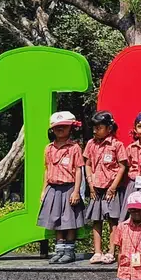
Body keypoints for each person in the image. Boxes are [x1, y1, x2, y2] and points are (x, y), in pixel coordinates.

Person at [37, 111, 86, 265]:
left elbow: (78, 170)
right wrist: (44, 190)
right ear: (52, 129)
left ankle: (69, 251)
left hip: (69, 187)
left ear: (70, 128)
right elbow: (47, 169)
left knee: (70, 220)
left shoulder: (74, 148)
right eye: (57, 127)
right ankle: (59, 251)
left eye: (64, 127)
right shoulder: (49, 148)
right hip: (53, 187)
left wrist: (77, 191)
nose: (60, 130)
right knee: (56, 219)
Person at [84, 111, 128, 264]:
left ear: (109, 128)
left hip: (111, 188)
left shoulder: (117, 145)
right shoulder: (90, 144)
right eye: (94, 127)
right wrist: (90, 184)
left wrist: (114, 187)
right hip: (96, 188)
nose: (95, 130)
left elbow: (122, 166)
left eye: (99, 127)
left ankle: (111, 251)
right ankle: (97, 252)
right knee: (96, 220)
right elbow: (88, 165)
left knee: (112, 220)